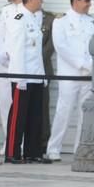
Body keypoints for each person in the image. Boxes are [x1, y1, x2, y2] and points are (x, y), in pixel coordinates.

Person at [46, 0, 94, 161]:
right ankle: (54, 148)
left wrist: (90, 65)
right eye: (86, 1)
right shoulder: (61, 21)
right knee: (63, 111)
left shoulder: (92, 21)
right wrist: (81, 64)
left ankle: (79, 148)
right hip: (69, 74)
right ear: (75, 1)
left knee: (85, 112)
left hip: (88, 74)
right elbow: (61, 47)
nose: (89, 4)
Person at [5, 0, 51, 164]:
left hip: (35, 76)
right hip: (22, 76)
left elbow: (35, 51)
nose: (41, 2)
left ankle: (33, 152)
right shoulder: (18, 18)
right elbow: (16, 50)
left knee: (35, 116)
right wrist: (20, 78)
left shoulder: (33, 18)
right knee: (18, 117)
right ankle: (12, 153)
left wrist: (41, 76)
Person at [0, 0, 30, 155]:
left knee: (20, 105)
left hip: (20, 65)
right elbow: (0, 36)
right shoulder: (6, 11)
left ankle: (20, 143)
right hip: (4, 64)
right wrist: (1, 54)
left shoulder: (28, 10)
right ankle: (8, 141)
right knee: (4, 102)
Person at [40, 8, 57, 150]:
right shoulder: (19, 16)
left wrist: (34, 59)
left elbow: (50, 46)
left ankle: (43, 141)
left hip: (43, 69)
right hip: (23, 70)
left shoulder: (50, 19)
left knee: (42, 108)